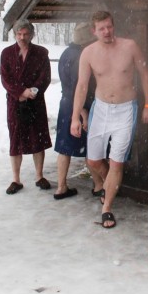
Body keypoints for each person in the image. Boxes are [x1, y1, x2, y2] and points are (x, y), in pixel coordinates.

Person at [71, 11, 148, 228]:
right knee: (93, 161)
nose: (107, 31)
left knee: (117, 161)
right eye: (102, 28)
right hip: (100, 109)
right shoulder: (88, 53)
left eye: (109, 26)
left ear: (113, 26)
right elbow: (81, 86)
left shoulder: (130, 46)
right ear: (94, 31)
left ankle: (106, 208)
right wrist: (75, 117)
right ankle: (110, 185)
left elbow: (145, 75)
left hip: (126, 110)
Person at [1, 19, 53, 195]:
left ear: (31, 34)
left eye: (25, 34)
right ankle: (16, 179)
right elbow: (5, 79)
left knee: (37, 139)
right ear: (15, 34)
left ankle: (39, 176)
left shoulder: (41, 53)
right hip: (15, 103)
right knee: (15, 140)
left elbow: (44, 77)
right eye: (19, 34)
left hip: (35, 102)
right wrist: (21, 92)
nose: (22, 37)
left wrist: (33, 91)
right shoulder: (7, 53)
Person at [53, 22, 96, 200]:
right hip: (78, 106)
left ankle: (61, 187)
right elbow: (78, 88)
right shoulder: (82, 57)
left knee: (64, 148)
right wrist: (82, 112)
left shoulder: (66, 53)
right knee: (90, 149)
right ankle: (98, 185)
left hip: (66, 104)